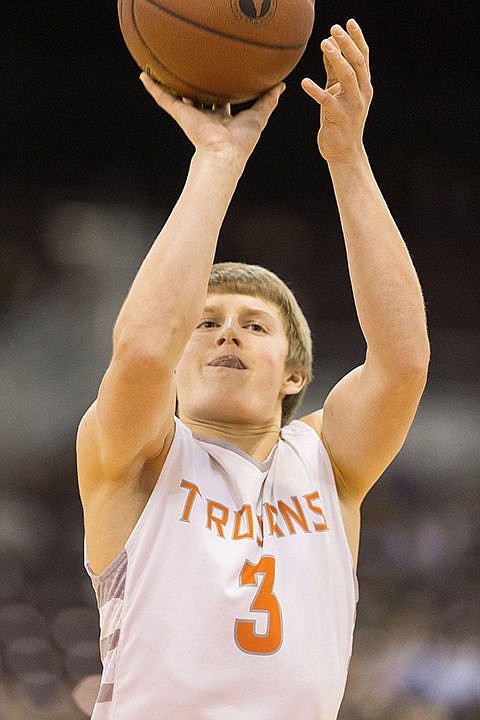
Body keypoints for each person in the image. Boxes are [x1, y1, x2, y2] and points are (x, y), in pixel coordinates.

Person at [77, 19, 429, 720]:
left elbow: (403, 359)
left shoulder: (330, 460)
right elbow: (143, 349)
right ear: (180, 363)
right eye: (204, 322)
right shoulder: (138, 458)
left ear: (295, 373)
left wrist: (348, 158)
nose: (225, 331)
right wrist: (216, 158)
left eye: (253, 324)